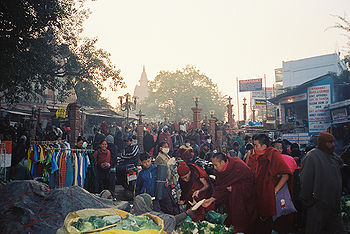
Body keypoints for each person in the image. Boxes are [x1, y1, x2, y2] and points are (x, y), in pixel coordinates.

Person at [300, 132, 345, 233]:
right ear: (322, 143)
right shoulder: (312, 156)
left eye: (333, 142)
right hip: (318, 203)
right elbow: (306, 180)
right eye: (329, 142)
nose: (333, 144)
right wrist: (309, 200)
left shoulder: (334, 156)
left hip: (334, 203)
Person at [247, 134, 292, 234]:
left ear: (264, 146)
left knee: (266, 223)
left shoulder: (272, 154)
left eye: (256, 145)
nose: (254, 148)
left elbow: (286, 175)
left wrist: (274, 191)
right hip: (256, 194)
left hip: (268, 195)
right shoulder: (254, 156)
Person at [202, 153, 256, 233]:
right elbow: (220, 187)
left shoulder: (237, 165)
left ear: (222, 162)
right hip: (231, 200)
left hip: (244, 200)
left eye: (216, 165)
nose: (214, 168)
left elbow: (251, 182)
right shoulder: (218, 171)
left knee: (244, 223)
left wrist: (235, 188)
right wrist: (211, 200)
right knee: (232, 221)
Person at [154, 142, 180, 215]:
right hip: (164, 184)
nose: (167, 148)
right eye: (165, 147)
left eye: (167, 146)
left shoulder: (168, 156)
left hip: (171, 182)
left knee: (173, 200)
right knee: (167, 202)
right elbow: (159, 172)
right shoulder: (159, 158)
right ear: (161, 148)